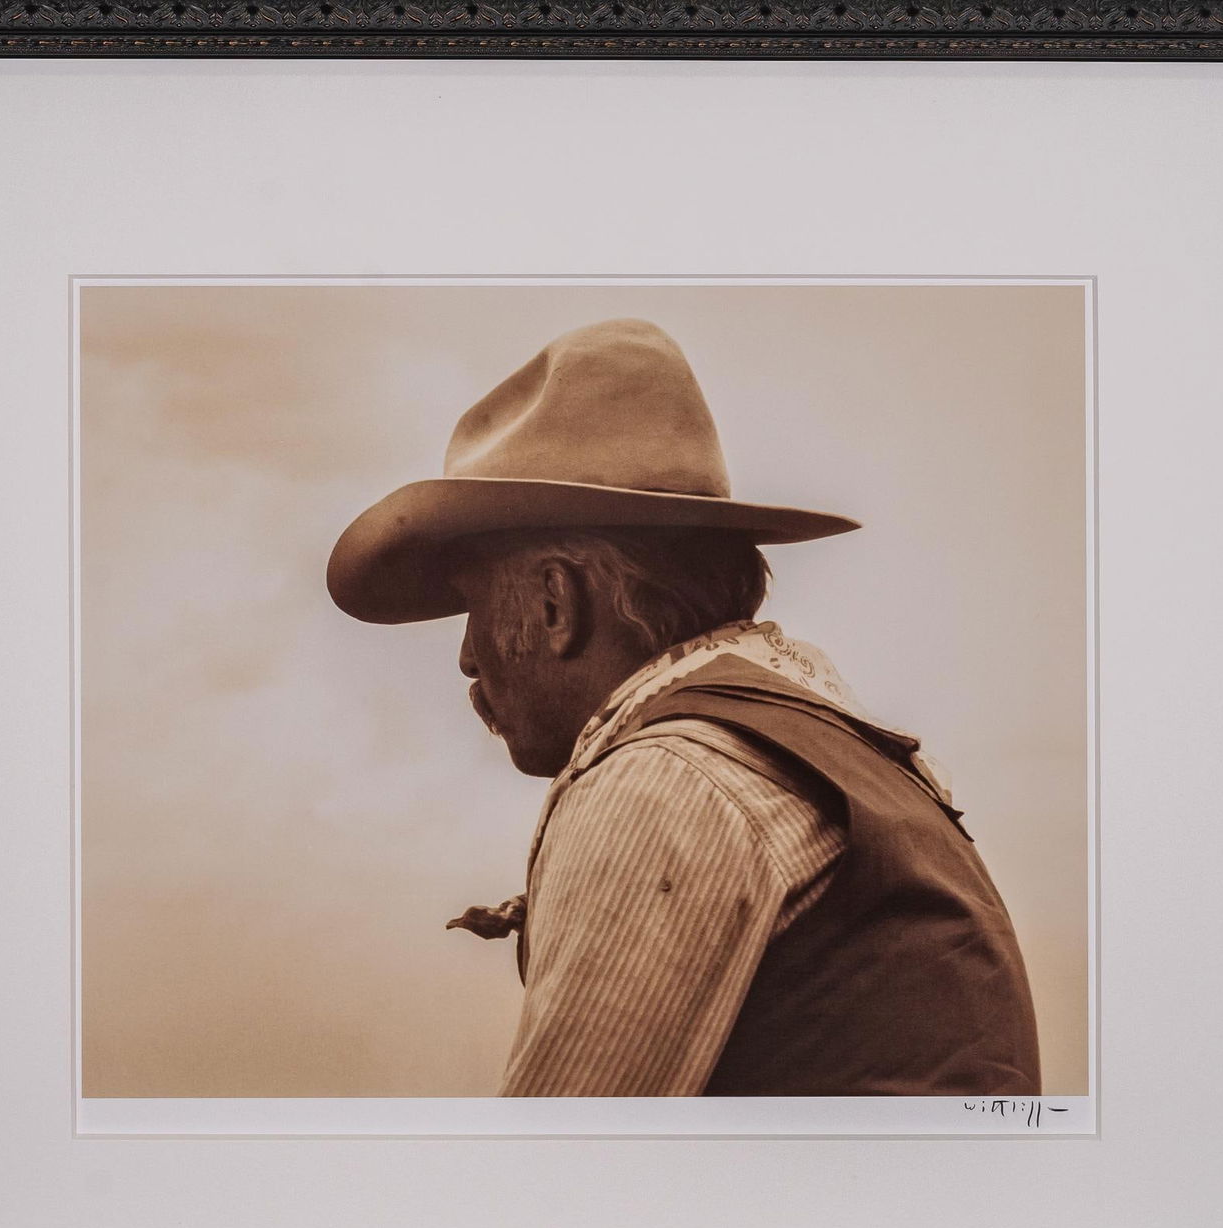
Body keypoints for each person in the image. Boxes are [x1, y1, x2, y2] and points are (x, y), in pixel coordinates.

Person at [327, 318, 1041, 1097]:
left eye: (474, 608)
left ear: (557, 603)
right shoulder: (860, 760)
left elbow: (551, 1190)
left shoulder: (662, 783)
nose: (468, 655)